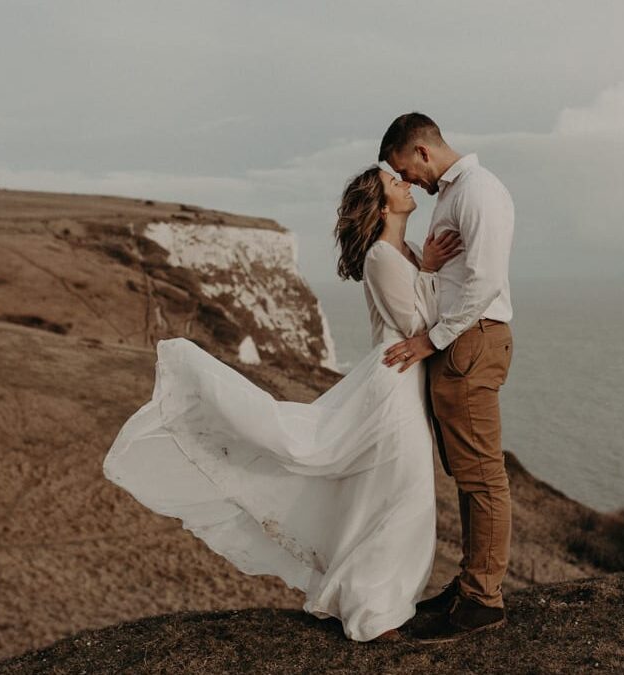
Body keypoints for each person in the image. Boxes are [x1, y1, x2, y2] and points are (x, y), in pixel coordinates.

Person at [102, 163, 461, 642]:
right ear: (380, 205)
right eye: (396, 183)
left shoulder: (406, 251)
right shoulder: (380, 255)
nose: (408, 184)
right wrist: (433, 270)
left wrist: (426, 265)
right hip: (392, 388)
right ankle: (374, 613)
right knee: (398, 496)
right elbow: (417, 322)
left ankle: (379, 601)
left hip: (404, 383)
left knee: (395, 496)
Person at [379, 113, 516, 643]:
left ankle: (484, 599)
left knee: (482, 473)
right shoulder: (453, 196)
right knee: (465, 470)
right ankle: (470, 583)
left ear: (420, 150)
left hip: (472, 340)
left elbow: (483, 281)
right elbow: (452, 279)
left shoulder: (478, 191)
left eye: (405, 171)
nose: (408, 181)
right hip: (461, 340)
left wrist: (428, 341)